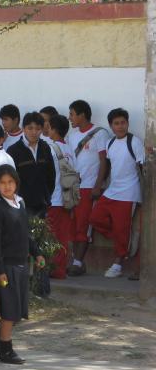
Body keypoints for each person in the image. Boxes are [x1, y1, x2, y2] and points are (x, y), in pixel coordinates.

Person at [0, 165, 46, 364]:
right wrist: (0, 270)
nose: (7, 186)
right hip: (7, 268)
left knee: (18, 310)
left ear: (16, 183)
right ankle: (6, 349)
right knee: (10, 309)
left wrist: (36, 253)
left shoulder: (20, 203)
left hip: (22, 265)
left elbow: (26, 233)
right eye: (2, 183)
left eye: (10, 182)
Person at [90, 108, 145, 278]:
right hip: (112, 191)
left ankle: (118, 263)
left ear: (127, 123)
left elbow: (143, 167)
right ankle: (123, 241)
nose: (120, 126)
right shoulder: (110, 143)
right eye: (116, 123)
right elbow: (107, 166)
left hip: (129, 193)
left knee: (122, 229)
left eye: (123, 123)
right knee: (95, 218)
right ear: (111, 126)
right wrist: (99, 186)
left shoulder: (134, 142)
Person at [66, 100, 110, 276]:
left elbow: (104, 162)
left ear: (82, 114)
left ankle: (78, 262)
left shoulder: (100, 134)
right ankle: (74, 260)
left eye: (72, 114)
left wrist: (98, 185)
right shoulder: (72, 136)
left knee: (84, 225)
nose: (70, 118)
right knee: (73, 224)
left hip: (89, 187)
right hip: (73, 187)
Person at [46, 114, 78, 279]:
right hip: (67, 199)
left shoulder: (51, 148)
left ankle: (54, 269)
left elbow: (48, 175)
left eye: (48, 126)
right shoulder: (69, 148)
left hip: (54, 198)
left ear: (53, 129)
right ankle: (60, 268)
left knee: (51, 235)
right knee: (63, 235)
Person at [7, 112, 56, 217]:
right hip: (21, 205)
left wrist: (46, 196)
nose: (34, 132)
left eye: (38, 129)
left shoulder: (45, 148)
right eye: (30, 128)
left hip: (42, 204)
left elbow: (51, 175)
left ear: (42, 130)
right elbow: (9, 178)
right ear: (23, 129)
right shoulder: (13, 150)